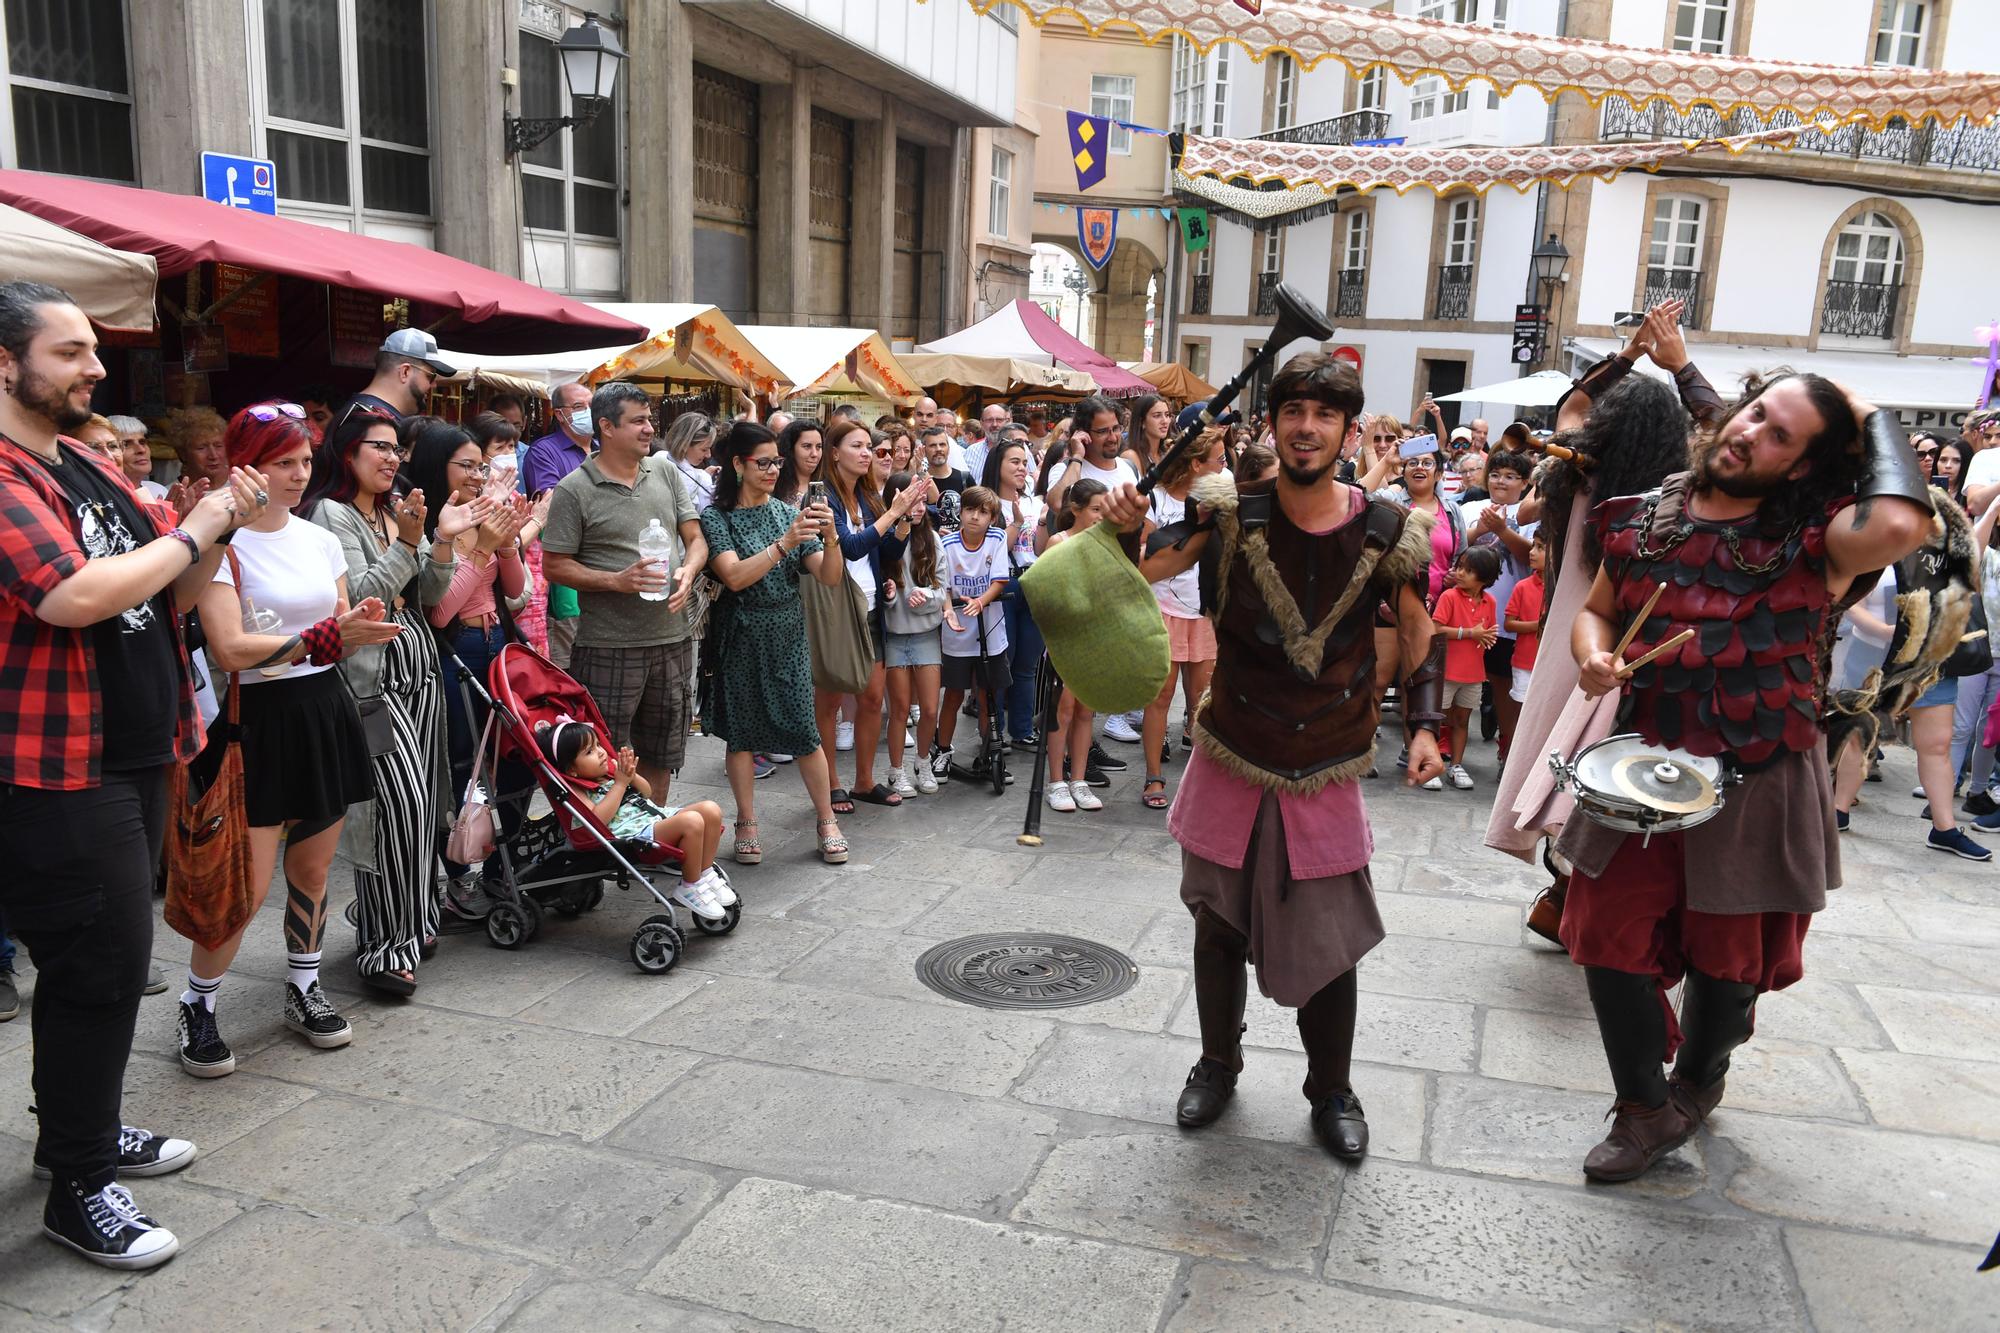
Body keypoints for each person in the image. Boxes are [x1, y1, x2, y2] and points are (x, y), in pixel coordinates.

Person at [1564, 371, 1930, 1182]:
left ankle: (1700, 1076)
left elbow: (1903, 518)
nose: (1749, 434)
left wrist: (1867, 411)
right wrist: (1593, 653)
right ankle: (1642, 1106)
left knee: (1730, 958)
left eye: (1779, 435)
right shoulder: (1644, 512)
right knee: (1603, 932)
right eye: (1756, 413)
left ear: (1800, 466)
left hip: (1759, 771)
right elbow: (1600, 608)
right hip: (1643, 765)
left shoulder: (1821, 540)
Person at [1105, 350, 1446, 1159]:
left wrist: (1426, 724)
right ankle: (1217, 1063)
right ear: (1272, 422)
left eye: (1325, 414)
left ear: (1349, 430)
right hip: (1234, 747)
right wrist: (1120, 532)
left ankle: (1332, 1086)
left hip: (1325, 760)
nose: (1306, 427)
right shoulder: (1226, 508)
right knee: (1217, 923)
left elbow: (1417, 631)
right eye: (1294, 410)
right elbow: (1146, 567)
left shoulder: (1387, 526)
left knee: (1331, 940)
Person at [0, 282, 265, 1267]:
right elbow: (71, 595)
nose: (98, 367)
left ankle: (85, 1132)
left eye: (92, 350)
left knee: (104, 967)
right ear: (5, 364)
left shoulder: (74, 458)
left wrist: (221, 525)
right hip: (59, 770)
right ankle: (77, 1186)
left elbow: (174, 585)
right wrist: (191, 532)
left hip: (135, 747)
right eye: (70, 352)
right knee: (99, 970)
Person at [1488, 301, 1718, 943]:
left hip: (1574, 644)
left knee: (1566, 770)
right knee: (1617, 779)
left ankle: (1565, 899)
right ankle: (1575, 905)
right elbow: (1726, 432)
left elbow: (1573, 404)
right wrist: (1681, 366)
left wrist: (1632, 353)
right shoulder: (1685, 492)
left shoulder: (1574, 476)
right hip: (1640, 647)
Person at [184, 402, 399, 1081]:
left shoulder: (319, 538)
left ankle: (303, 986)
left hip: (324, 709)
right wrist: (330, 636)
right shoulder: (221, 544)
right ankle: (199, 1001)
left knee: (312, 870)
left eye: (305, 460)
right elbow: (229, 648)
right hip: (259, 720)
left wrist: (356, 619)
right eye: (284, 462)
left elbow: (335, 620)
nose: (299, 474)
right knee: (242, 889)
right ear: (247, 464)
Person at [303, 412, 484, 983]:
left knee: (427, 799)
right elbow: (361, 600)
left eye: (393, 449)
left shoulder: (393, 507)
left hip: (419, 666)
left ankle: (414, 918)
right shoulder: (330, 514)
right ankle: (383, 945)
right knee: (394, 807)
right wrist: (411, 541)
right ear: (346, 453)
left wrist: (444, 540)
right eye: (375, 448)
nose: (389, 458)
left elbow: (428, 595)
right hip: (370, 682)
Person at [542, 382, 706, 805]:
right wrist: (616, 580)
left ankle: (651, 839)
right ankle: (605, 846)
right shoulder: (574, 489)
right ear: (606, 427)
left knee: (663, 751)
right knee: (601, 754)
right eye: (638, 421)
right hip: (608, 645)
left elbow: (695, 537)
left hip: (672, 638)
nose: (650, 428)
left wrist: (688, 569)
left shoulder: (666, 472)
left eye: (649, 419)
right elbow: (554, 565)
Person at [698, 421, 850, 865]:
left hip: (786, 631)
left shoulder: (788, 512)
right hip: (741, 632)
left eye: (776, 462)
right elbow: (734, 575)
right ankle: (746, 821)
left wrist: (831, 536)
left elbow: (829, 576)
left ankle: (827, 820)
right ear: (738, 464)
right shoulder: (717, 517)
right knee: (742, 734)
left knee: (804, 729)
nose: (771, 470)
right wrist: (784, 544)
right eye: (762, 462)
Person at [416, 422, 543, 912]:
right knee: (459, 765)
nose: (476, 475)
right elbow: (441, 611)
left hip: (499, 644)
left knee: (516, 756)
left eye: (479, 466)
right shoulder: (430, 525)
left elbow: (514, 591)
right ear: (437, 467)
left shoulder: (486, 515)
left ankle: (498, 864)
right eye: (465, 465)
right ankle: (456, 875)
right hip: (455, 650)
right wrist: (483, 545)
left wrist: (507, 541)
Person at [814, 419, 926, 809]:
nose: (868, 454)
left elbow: (888, 554)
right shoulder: (823, 498)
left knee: (871, 698)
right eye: (859, 447)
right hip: (838, 609)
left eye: (872, 448)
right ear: (834, 453)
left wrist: (904, 523)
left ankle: (864, 780)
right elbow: (851, 547)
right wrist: (893, 513)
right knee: (828, 702)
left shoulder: (867, 498)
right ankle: (829, 783)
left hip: (872, 605)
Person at [538, 720, 729, 919]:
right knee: (692, 821)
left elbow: (647, 793)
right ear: (572, 770)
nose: (601, 752)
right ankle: (690, 886)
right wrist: (620, 784)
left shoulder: (610, 772)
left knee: (711, 810)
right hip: (634, 837)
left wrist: (632, 777)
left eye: (598, 745)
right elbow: (596, 820)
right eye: (589, 752)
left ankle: (704, 874)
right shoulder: (576, 791)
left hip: (655, 819)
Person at [1137, 427, 1225, 809]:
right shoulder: (1155, 501)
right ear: (1195, 464)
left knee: (1202, 702)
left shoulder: (1223, 498)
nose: (1224, 467)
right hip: (1162, 610)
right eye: (1219, 460)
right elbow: (1145, 560)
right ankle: (1154, 776)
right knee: (1159, 698)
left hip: (1203, 610)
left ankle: (1202, 781)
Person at [933, 485, 1012, 784]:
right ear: (960, 512)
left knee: (986, 694)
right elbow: (945, 585)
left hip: (989, 631)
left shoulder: (997, 538)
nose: (975, 517)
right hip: (957, 633)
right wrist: (950, 608)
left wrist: (981, 601)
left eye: (983, 512)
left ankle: (989, 752)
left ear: (992, 517)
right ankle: (942, 750)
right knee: (953, 694)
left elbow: (999, 580)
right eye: (969, 510)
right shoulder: (948, 544)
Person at [1462, 448, 1534, 755]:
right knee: (1457, 684)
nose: (1500, 482)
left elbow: (1530, 557)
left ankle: (1508, 749)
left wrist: (1503, 530)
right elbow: (1457, 545)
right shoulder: (1471, 507)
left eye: (1509, 476)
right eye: (1495, 474)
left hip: (1507, 620)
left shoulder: (1530, 514)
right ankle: (1450, 751)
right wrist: (1482, 527)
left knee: (1506, 688)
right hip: (1464, 615)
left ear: (1525, 482)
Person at [881, 470, 947, 797]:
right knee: (900, 709)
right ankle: (896, 771)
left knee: (930, 708)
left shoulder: (932, 540)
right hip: (895, 634)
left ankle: (923, 762)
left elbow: (944, 590)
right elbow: (879, 593)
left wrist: (927, 597)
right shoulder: (886, 539)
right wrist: (891, 597)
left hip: (924, 634)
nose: (919, 506)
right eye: (911, 499)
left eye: (922, 499)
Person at [523, 381, 596, 667]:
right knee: (568, 662)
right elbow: (550, 504)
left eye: (591, 406)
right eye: (579, 407)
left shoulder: (605, 448)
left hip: (606, 570)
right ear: (560, 414)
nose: (587, 412)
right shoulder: (544, 452)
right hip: (568, 571)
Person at [982, 437, 1045, 747]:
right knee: (1002, 661)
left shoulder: (1034, 501)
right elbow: (995, 554)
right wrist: (1017, 524)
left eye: (1024, 462)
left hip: (1034, 582)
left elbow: (1041, 548)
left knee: (1027, 663)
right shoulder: (986, 504)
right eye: (1014, 462)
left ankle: (1022, 730)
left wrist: (1042, 524)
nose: (1022, 467)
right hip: (1003, 585)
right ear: (998, 465)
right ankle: (995, 732)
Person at [1430, 545, 1502, 791]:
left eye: (1468, 570)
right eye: (1459, 567)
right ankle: (1432, 763)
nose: (1459, 573)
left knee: (1462, 720)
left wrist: (1487, 637)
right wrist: (1470, 633)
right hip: (1446, 671)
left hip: (1473, 674)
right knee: (1435, 719)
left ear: (1485, 578)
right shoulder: (1449, 596)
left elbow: (1489, 631)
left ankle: (1456, 765)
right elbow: (1436, 628)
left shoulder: (1490, 602)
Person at [339, 328, 453, 428]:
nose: (434, 385)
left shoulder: (373, 418)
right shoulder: (368, 420)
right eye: (430, 376)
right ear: (405, 372)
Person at [1505, 535, 1547, 715]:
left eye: (1540, 547)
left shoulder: (1561, 588)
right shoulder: (1522, 586)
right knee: (1521, 713)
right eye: (1533, 546)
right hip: (1524, 662)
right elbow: (1509, 624)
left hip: (1550, 665)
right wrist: (1537, 625)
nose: (1532, 552)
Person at [162, 406, 229, 492]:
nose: (213, 455)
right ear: (183, 453)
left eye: (218, 446)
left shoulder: (242, 483)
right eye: (201, 448)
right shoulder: (171, 495)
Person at [663, 411, 718, 511]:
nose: (708, 455)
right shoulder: (699, 479)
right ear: (685, 445)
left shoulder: (658, 459)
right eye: (704, 449)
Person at [921, 424, 972, 530]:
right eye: (932, 445)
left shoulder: (965, 478)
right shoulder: (919, 481)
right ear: (924, 450)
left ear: (948, 448)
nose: (938, 449)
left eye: (942, 444)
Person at [106, 414, 163, 499]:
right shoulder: (103, 499)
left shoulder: (158, 490)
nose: (141, 450)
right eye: (126, 444)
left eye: (142, 442)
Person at [775, 417, 823, 508]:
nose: (814, 454)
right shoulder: (774, 484)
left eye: (819, 447)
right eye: (807, 446)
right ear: (790, 449)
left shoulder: (828, 486)